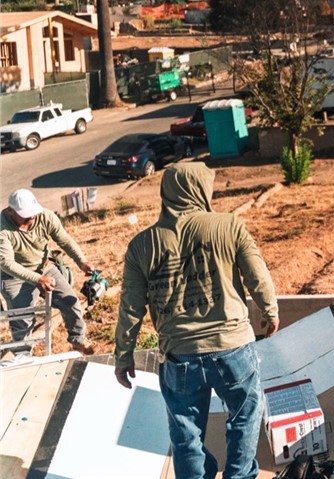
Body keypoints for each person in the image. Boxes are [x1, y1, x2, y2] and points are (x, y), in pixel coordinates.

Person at [114, 163, 278, 479]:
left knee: (186, 434)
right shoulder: (229, 226)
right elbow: (258, 277)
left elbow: (130, 309)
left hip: (179, 357)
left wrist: (123, 357)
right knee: (245, 414)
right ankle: (239, 475)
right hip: (232, 349)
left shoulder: (141, 246)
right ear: (200, 190)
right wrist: (269, 312)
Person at [0, 188, 97, 355]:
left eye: (33, 212)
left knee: (71, 302)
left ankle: (78, 340)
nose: (31, 217)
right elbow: (6, 262)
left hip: (44, 268)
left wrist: (82, 261)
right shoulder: (2, 228)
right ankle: (22, 355)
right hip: (13, 276)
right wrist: (37, 279)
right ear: (11, 212)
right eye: (25, 214)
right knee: (22, 319)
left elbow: (65, 240)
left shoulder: (45, 217)